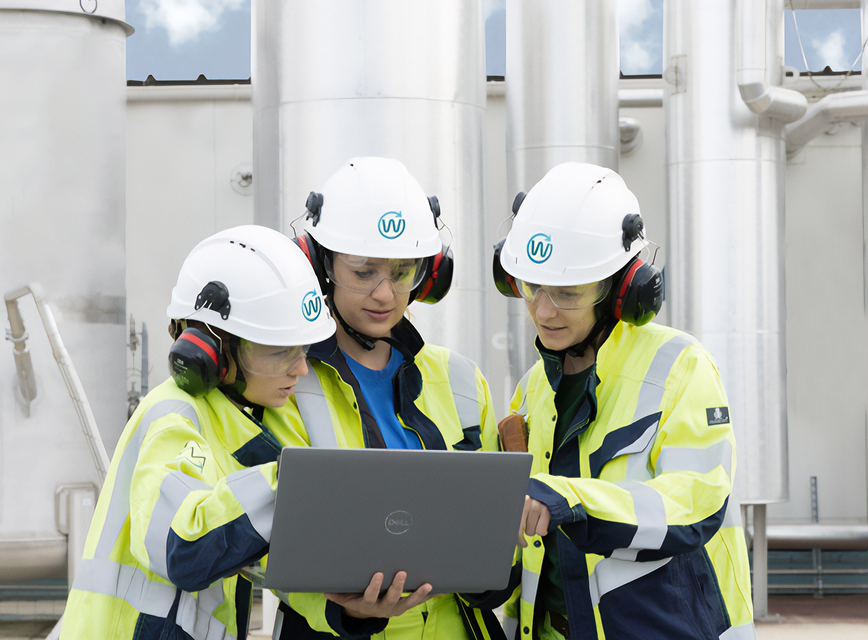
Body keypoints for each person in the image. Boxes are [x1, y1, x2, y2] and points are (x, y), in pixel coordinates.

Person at [492, 162, 755, 640]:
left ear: (622, 288)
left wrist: (570, 499)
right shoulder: (533, 388)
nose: (544, 311)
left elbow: (693, 501)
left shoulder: (681, 366)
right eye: (531, 287)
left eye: (568, 293)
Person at [261, 156, 507, 640]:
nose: (385, 293)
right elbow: (269, 539)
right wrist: (349, 613)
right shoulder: (286, 382)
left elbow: (495, 528)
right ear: (321, 264)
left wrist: (494, 570)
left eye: (402, 272)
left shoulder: (460, 378)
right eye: (364, 271)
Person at [60, 225, 336, 640]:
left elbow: (263, 560)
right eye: (281, 351)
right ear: (209, 349)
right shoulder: (174, 415)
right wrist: (297, 483)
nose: (300, 369)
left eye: (304, 351)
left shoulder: (247, 422)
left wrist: (348, 610)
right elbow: (182, 548)